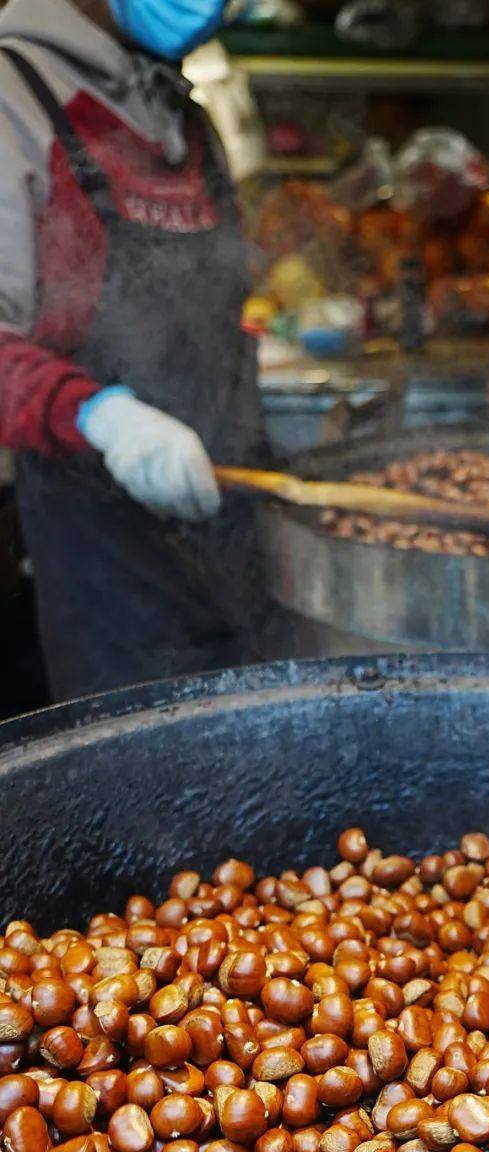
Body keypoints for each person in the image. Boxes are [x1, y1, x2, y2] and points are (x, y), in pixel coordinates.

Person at [0, 0, 268, 703]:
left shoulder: (184, 113)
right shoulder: (13, 95)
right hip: (108, 585)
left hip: (237, 545)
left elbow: (224, 308)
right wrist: (103, 418)